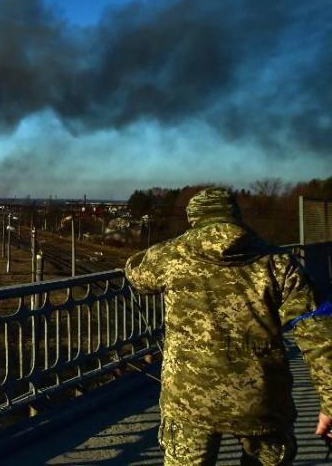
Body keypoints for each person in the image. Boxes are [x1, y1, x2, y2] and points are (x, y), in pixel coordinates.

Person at [124, 187, 332, 465]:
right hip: (262, 402)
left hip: (190, 401)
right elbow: (317, 334)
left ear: (193, 218)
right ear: (235, 215)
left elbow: (136, 273)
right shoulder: (279, 262)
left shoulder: (172, 256)